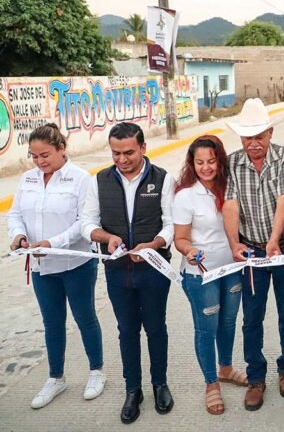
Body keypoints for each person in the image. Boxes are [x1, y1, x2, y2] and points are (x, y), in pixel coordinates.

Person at [81, 122, 175, 424]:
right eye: (115, 153)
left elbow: (171, 224)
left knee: (156, 328)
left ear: (144, 148)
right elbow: (87, 222)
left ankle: (160, 383)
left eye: (128, 153)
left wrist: (155, 243)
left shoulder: (163, 179)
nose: (121, 159)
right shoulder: (100, 181)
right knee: (127, 331)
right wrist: (105, 238)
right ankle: (133, 390)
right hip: (118, 272)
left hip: (154, 271)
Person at [7, 123, 106, 409]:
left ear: (62, 149)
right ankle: (56, 377)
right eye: (34, 156)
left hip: (76, 262)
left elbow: (84, 222)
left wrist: (54, 242)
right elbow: (15, 215)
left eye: (45, 155)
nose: (40, 162)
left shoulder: (80, 179)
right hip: (41, 266)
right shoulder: (28, 179)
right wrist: (19, 236)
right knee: (52, 323)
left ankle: (96, 371)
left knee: (85, 317)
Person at [221, 98, 284, 411]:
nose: (253, 143)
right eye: (247, 137)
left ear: (270, 133)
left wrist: (274, 241)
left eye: (259, 136)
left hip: (281, 253)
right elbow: (230, 204)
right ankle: (256, 377)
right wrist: (233, 243)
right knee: (252, 318)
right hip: (252, 254)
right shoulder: (232, 163)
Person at [172, 135, 247, 415]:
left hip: (231, 268)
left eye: (211, 161)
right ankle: (211, 383)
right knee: (207, 329)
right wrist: (189, 249)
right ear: (192, 164)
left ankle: (225, 368)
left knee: (228, 323)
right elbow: (179, 238)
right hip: (200, 275)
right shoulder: (185, 196)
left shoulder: (230, 187)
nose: (206, 167)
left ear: (220, 161)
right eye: (200, 162)